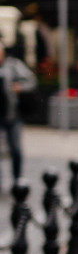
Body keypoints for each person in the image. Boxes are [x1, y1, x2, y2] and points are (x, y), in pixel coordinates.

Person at [0, 42, 35, 187]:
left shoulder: (13, 65)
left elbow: (31, 81)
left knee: (15, 149)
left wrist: (19, 87)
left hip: (12, 115)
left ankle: (17, 179)